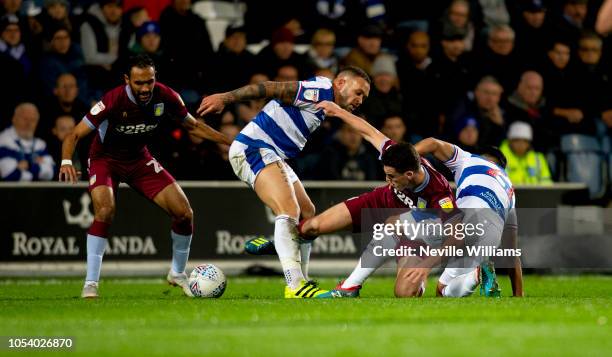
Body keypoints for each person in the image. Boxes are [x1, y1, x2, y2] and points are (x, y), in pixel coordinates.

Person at [59, 54, 231, 299]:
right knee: (105, 211)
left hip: (139, 159)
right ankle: (91, 283)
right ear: (127, 80)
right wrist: (66, 161)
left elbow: (192, 126)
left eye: (149, 81)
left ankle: (177, 273)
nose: (145, 88)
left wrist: (231, 142)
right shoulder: (112, 100)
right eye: (139, 83)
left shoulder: (167, 96)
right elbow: (74, 135)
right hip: (104, 160)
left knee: (184, 213)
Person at [244, 102, 458, 298]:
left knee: (404, 293)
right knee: (312, 226)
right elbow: (367, 130)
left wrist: (427, 266)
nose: (387, 180)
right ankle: (287, 245)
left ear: (409, 175)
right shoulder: (397, 155)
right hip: (380, 202)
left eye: (392, 177)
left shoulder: (440, 194)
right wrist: (338, 111)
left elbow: (456, 235)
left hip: (417, 236)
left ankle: (384, 285)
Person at [197, 66, 372, 298]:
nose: (360, 100)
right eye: (358, 92)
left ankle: (300, 274)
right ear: (340, 83)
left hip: (272, 154)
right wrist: (225, 98)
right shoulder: (320, 90)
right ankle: (294, 284)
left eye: (364, 97)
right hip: (254, 147)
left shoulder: (326, 96)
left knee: (308, 214)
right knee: (289, 210)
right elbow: (271, 88)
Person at [413, 137, 523, 298]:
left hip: (465, 219)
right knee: (443, 290)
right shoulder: (510, 193)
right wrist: (518, 295)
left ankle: (475, 275)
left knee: (441, 290)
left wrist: (404, 159)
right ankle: (476, 273)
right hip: (490, 234)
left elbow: (432, 143)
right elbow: (511, 253)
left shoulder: (467, 159)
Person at [0, 103, 55, 181]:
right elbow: (10, 175)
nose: (29, 124)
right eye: (25, 119)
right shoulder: (3, 141)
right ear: (14, 119)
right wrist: (38, 168)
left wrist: (28, 165)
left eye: (33, 120)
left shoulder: (41, 145)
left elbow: (50, 173)